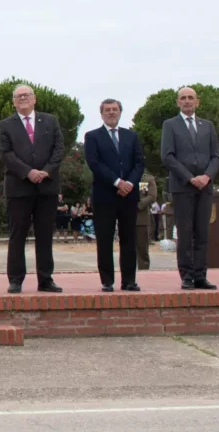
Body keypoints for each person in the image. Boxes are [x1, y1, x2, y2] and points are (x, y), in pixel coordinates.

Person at [0, 84, 65, 294]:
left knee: (45, 235)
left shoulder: (51, 121)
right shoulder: (5, 125)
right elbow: (5, 153)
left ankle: (45, 279)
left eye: (26, 95)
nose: (23, 98)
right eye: (18, 96)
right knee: (17, 235)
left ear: (34, 99)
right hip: (19, 188)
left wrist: (46, 171)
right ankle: (15, 280)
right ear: (13, 102)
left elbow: (59, 148)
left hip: (47, 187)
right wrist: (28, 172)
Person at [160, 86, 219, 289]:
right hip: (182, 187)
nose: (187, 101)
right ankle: (186, 275)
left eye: (190, 98)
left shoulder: (208, 126)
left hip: (205, 187)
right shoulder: (170, 125)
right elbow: (167, 156)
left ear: (197, 101)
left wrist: (207, 176)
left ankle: (200, 275)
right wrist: (189, 178)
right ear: (178, 102)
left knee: (202, 233)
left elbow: (216, 156)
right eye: (183, 98)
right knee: (185, 234)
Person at [84, 98, 145, 292]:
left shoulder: (131, 136)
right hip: (105, 195)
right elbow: (94, 163)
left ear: (120, 112)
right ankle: (107, 281)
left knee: (129, 239)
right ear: (101, 113)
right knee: (104, 239)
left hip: (129, 195)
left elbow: (139, 163)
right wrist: (117, 182)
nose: (111, 112)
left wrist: (129, 183)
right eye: (107, 110)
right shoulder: (92, 136)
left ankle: (129, 280)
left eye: (115, 109)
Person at [136, 171, 158, 271]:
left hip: (140, 217)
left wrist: (137, 205)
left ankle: (143, 270)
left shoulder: (145, 179)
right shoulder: (123, 176)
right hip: (125, 216)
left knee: (142, 248)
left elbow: (151, 196)